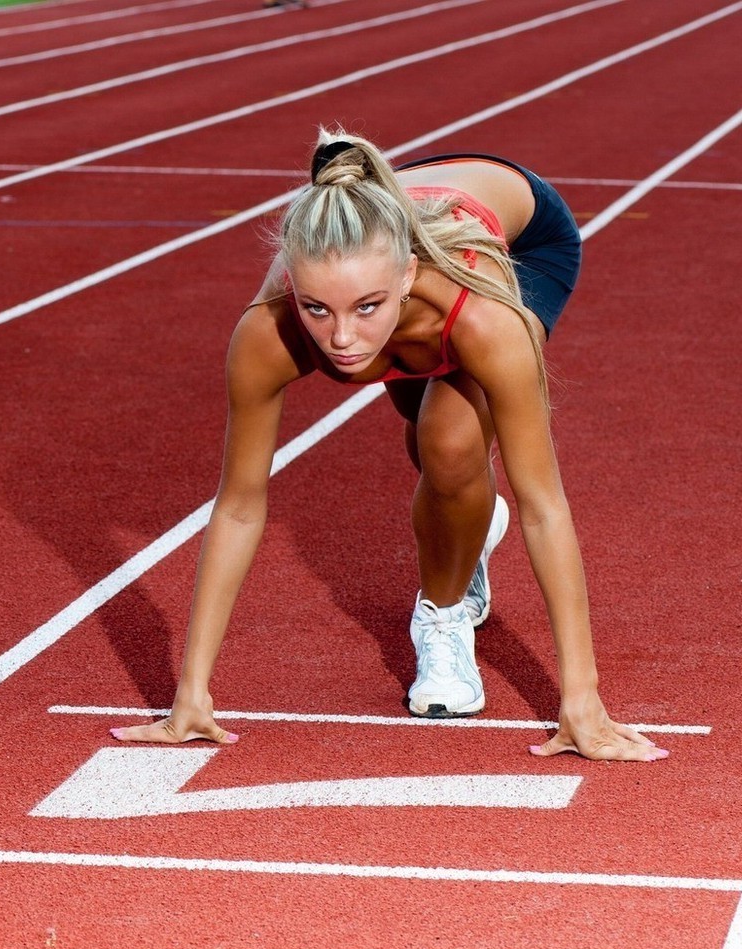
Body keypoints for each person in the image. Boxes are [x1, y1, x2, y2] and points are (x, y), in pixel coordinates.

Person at [112, 129, 667, 762]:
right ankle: (469, 524)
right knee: (425, 434)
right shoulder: (271, 331)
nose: (341, 338)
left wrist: (582, 701)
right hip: (401, 249)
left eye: (365, 308)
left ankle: (445, 612)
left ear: (404, 276)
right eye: (317, 308)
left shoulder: (485, 320)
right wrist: (191, 694)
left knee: (450, 443)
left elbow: (544, 504)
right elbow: (239, 504)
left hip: (522, 239)